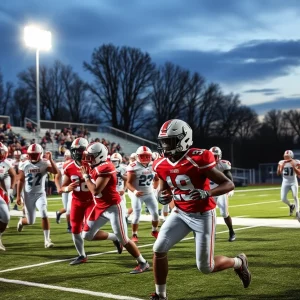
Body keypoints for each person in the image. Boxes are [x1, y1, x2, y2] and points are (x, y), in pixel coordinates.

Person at [150, 119, 251, 300]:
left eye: (169, 141)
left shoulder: (198, 158)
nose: (165, 146)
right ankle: (160, 295)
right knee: (158, 248)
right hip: (180, 213)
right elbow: (163, 188)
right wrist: (161, 195)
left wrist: (207, 193)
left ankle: (238, 262)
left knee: (206, 267)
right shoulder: (160, 164)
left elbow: (228, 184)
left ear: (183, 139)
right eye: (163, 141)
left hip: (202, 216)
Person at [80, 142, 149, 274]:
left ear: (100, 156)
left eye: (91, 156)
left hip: (113, 207)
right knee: (87, 235)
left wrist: (86, 177)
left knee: (124, 239)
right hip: (99, 206)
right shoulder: (95, 165)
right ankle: (114, 238)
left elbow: (95, 190)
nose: (89, 159)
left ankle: (143, 262)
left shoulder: (106, 167)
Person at [61, 138, 122, 265]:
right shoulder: (68, 166)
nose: (77, 153)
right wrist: (67, 188)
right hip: (76, 201)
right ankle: (82, 255)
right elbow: (62, 187)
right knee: (75, 229)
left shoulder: (92, 164)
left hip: (92, 201)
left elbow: (103, 182)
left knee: (87, 231)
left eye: (80, 150)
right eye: (75, 150)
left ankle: (114, 237)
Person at [16, 144, 59, 248]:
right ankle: (22, 221)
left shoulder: (44, 163)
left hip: (40, 194)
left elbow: (56, 171)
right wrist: (18, 196)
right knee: (31, 221)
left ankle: (47, 240)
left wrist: (51, 159)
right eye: (31, 155)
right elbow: (21, 180)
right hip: (28, 195)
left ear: (40, 154)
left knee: (44, 213)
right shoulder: (24, 164)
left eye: (35, 155)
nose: (33, 157)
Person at [126, 146, 159, 242]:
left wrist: (155, 188)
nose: (145, 158)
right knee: (136, 215)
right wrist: (135, 191)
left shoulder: (153, 165)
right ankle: (134, 234)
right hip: (138, 195)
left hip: (149, 193)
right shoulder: (133, 166)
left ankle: (154, 231)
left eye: (147, 156)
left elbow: (156, 179)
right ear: (137, 156)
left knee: (155, 214)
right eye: (142, 156)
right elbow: (128, 183)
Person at [209, 146, 236, 241]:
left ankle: (231, 231)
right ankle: (212, 233)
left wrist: (231, 189)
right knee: (210, 214)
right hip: (210, 192)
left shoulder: (223, 165)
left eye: (216, 156)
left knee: (224, 213)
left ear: (219, 156)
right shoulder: (204, 164)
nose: (214, 159)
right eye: (212, 156)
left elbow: (229, 179)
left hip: (221, 191)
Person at [0, 143, 16, 250]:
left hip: (1, 193)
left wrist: (8, 190)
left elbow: (13, 174)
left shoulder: (5, 163)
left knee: (6, 217)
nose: (1, 154)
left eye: (2, 152)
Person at [277, 150, 300, 221]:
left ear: (291, 156)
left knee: (295, 196)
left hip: (293, 182)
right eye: (285, 156)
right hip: (285, 182)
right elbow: (278, 173)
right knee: (283, 198)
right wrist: (281, 167)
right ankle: (291, 206)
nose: (286, 158)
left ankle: (297, 212)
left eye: (287, 156)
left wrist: (294, 167)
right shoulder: (281, 162)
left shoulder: (296, 162)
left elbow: (299, 174)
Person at [110, 153, 133, 223]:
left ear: (119, 160)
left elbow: (127, 179)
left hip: (120, 190)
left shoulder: (123, 168)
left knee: (122, 205)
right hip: (111, 191)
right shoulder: (108, 168)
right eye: (113, 161)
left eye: (116, 161)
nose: (114, 162)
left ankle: (123, 219)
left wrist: (124, 189)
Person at [56, 150, 72, 232]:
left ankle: (59, 213)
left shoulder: (74, 164)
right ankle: (69, 226)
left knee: (71, 208)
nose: (67, 158)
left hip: (72, 188)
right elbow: (56, 177)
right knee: (67, 208)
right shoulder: (61, 165)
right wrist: (59, 187)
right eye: (67, 156)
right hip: (65, 188)